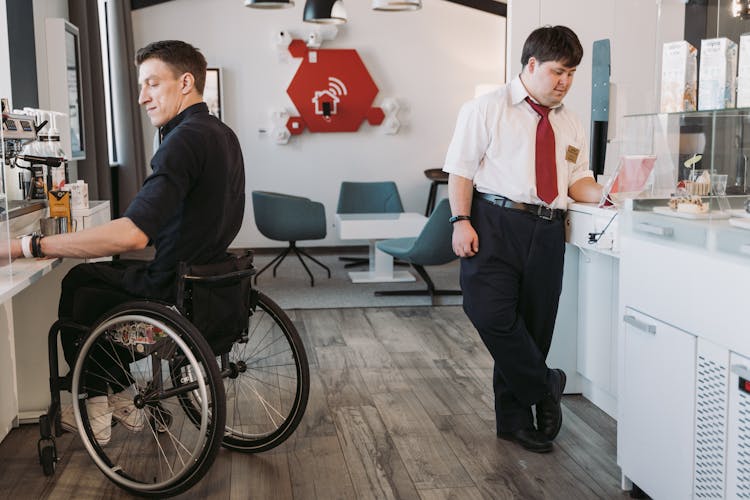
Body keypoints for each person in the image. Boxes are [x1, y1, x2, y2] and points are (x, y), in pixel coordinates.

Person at [9, 40, 245, 445]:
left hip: (170, 286)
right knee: (95, 278)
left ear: (185, 82)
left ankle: (97, 407)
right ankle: (117, 396)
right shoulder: (221, 133)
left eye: (151, 84)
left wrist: (29, 246)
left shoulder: (182, 141)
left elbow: (133, 235)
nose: (141, 97)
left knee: (80, 284)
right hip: (208, 277)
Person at [443, 26, 602, 453]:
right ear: (531, 65)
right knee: (488, 312)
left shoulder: (568, 121)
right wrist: (461, 220)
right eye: (558, 71)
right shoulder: (486, 108)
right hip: (495, 221)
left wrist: (608, 194)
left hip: (550, 230)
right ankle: (545, 384)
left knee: (534, 329)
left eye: (571, 73)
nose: (565, 81)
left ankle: (515, 422)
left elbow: (578, 178)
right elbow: (460, 169)